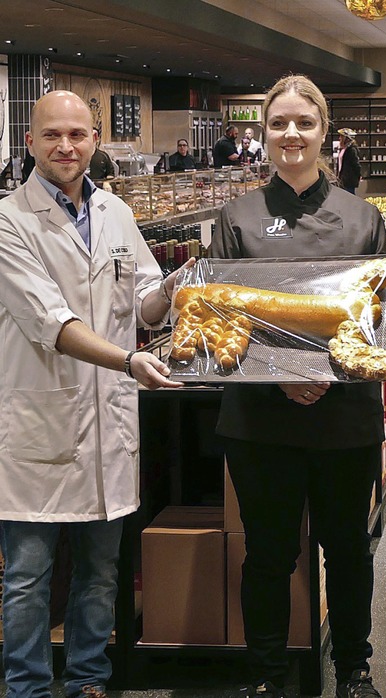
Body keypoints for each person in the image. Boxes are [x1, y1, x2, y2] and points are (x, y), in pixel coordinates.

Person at [0, 90, 191, 698]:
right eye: (52, 135)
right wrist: (131, 359)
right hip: (40, 421)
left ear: (95, 139)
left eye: (78, 135)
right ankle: (26, 687)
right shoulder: (9, 220)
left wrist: (185, 288)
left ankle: (89, 679)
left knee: (101, 571)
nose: (66, 146)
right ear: (29, 141)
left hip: (108, 422)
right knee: (28, 576)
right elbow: (51, 324)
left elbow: (144, 296)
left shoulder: (115, 212)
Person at [211, 74, 386, 698]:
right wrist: (285, 378)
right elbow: (221, 317)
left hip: (345, 414)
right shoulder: (234, 218)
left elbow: (380, 321)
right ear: (264, 133)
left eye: (303, 124)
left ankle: (355, 670)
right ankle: (264, 674)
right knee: (268, 555)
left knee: (348, 551)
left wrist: (322, 378)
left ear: (324, 133)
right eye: (278, 123)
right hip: (263, 418)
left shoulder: (364, 218)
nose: (291, 134)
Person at [336, 128, 361, 195]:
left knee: (349, 197)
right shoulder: (344, 148)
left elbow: (356, 165)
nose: (339, 138)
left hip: (348, 180)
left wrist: (358, 176)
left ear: (346, 138)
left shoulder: (351, 149)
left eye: (341, 136)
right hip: (343, 179)